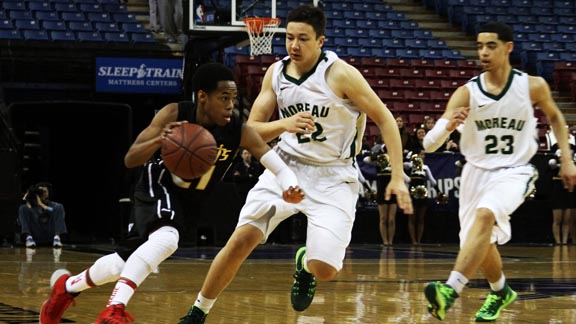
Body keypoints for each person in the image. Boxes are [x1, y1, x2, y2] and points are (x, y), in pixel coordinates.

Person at [177, 5, 413, 323]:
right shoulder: (276, 73)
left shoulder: (340, 74)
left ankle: (305, 265)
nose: (294, 46)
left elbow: (384, 119)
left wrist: (397, 176)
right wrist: (283, 125)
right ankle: (198, 312)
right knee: (242, 238)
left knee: (325, 268)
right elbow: (250, 128)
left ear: (320, 41)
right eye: (289, 38)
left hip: (334, 176)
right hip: (286, 167)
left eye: (303, 39)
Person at [38, 63, 304, 324]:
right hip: (159, 185)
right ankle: (114, 310)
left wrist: (290, 187)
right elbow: (131, 159)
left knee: (123, 262)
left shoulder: (238, 130)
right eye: (224, 98)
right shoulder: (175, 113)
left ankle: (67, 287)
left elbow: (278, 166)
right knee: (167, 239)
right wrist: (157, 141)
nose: (230, 105)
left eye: (233, 98)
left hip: (190, 202)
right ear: (202, 96)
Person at [422, 22, 576, 322]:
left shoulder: (531, 85)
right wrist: (448, 125)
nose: (483, 52)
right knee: (480, 242)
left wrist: (568, 160)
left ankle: (450, 290)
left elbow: (557, 119)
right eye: (479, 46)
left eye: (490, 45)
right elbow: (430, 145)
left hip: (515, 170)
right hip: (475, 174)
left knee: (485, 215)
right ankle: (501, 290)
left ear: (508, 47)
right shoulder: (466, 92)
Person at [547, 129, 576, 245]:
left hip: (569, 189)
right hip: (558, 187)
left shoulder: (573, 147)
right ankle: (558, 241)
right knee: (558, 219)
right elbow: (550, 166)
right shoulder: (554, 148)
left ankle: (564, 241)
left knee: (567, 219)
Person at [18, 182, 67, 248]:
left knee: (59, 207)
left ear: (48, 193)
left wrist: (41, 204)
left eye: (45, 192)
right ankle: (28, 238)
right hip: (36, 233)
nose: (43, 194)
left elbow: (55, 211)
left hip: (50, 233)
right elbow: (23, 213)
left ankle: (57, 238)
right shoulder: (30, 206)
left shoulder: (55, 206)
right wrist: (28, 199)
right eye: (40, 192)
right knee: (22, 208)